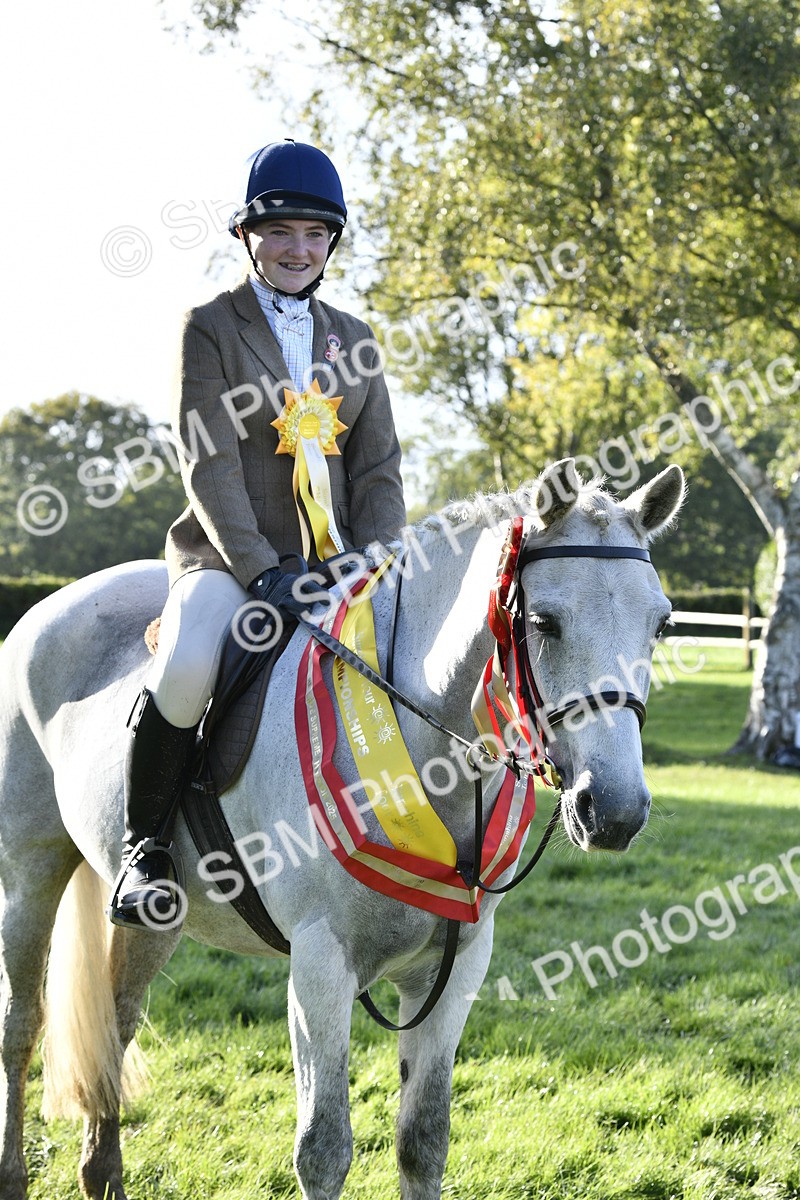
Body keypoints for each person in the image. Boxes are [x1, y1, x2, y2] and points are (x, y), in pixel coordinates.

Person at [108, 139, 406, 929]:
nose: (297, 249)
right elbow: (208, 463)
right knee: (188, 658)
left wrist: (378, 565)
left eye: (314, 235)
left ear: (331, 243)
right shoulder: (209, 326)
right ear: (248, 237)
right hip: (229, 559)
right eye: (280, 232)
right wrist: (264, 569)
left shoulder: (354, 336)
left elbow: (379, 472)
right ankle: (146, 850)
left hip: (338, 564)